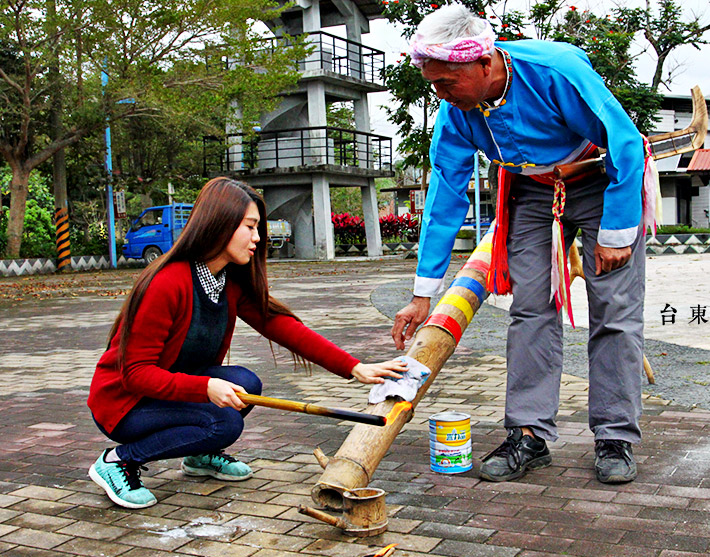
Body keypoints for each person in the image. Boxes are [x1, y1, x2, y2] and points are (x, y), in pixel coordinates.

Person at [391, 4, 649, 484]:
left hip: (598, 179)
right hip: (530, 190)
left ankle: (615, 435)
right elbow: (445, 194)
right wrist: (422, 293)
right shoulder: (456, 113)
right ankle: (529, 434)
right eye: (434, 85)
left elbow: (626, 142)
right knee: (530, 308)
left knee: (614, 309)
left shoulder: (556, 71)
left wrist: (617, 231)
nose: (441, 95)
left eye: (448, 83)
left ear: (484, 63)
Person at [88, 177, 407, 509]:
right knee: (223, 421)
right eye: (250, 227)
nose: (257, 238)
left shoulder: (227, 280)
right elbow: (135, 374)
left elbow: (283, 327)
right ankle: (119, 461)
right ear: (220, 223)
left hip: (168, 392)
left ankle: (198, 455)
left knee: (244, 382)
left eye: (258, 228)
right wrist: (206, 387)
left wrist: (354, 367)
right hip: (126, 404)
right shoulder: (166, 283)